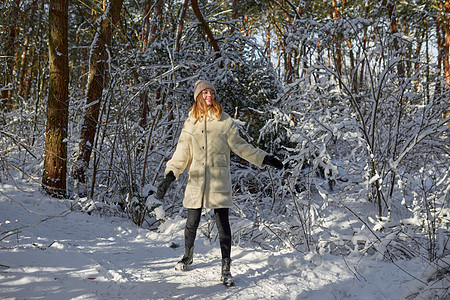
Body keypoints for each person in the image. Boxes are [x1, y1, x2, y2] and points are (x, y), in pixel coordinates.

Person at [156, 80, 283, 286]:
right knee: (192, 223)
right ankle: (187, 256)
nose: (209, 96)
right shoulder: (191, 123)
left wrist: (263, 158)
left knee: (223, 225)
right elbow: (182, 152)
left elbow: (241, 147)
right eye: (205, 93)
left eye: (212, 92)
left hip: (219, 181)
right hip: (197, 180)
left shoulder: (225, 122)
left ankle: (226, 269)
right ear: (198, 97)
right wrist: (170, 175)